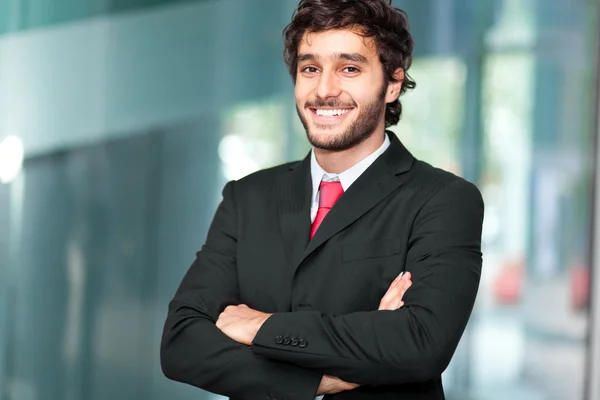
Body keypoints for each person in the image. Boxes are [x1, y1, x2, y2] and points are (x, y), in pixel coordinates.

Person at [160, 0, 484, 398]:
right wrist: (325, 377)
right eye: (310, 68)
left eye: (349, 68)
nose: (325, 90)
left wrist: (258, 326)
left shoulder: (443, 200)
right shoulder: (247, 198)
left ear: (393, 83)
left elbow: (419, 344)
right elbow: (180, 344)